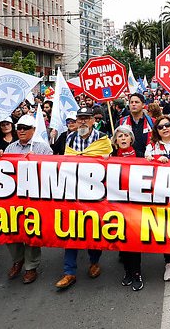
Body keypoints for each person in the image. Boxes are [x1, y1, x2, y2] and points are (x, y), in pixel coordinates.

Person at [55, 107, 112, 290]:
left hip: (96, 192)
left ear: (93, 121)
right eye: (79, 118)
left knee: (93, 227)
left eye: (86, 119)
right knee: (72, 229)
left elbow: (111, 164)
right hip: (74, 191)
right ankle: (69, 271)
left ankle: (94, 262)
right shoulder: (70, 138)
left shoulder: (102, 138)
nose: (82, 122)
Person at [0, 115, 52, 285]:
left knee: (30, 230)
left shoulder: (43, 148)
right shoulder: (10, 148)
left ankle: (30, 266)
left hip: (33, 197)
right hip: (12, 197)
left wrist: (38, 161)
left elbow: (52, 171)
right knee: (10, 229)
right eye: (19, 127)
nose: (21, 131)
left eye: (25, 128)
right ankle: (18, 259)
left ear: (33, 130)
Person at [144, 116, 170, 281]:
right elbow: (145, 162)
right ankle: (169, 263)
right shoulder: (151, 146)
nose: (165, 128)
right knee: (166, 227)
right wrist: (155, 160)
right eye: (160, 127)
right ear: (156, 131)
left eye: (167, 125)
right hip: (160, 193)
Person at [110, 126, 145, 291]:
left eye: (126, 136)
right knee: (122, 239)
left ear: (131, 139)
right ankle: (127, 272)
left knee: (133, 240)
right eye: (120, 136)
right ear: (116, 141)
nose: (123, 139)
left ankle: (137, 273)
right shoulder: (109, 158)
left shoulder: (140, 155)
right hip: (117, 205)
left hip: (136, 204)